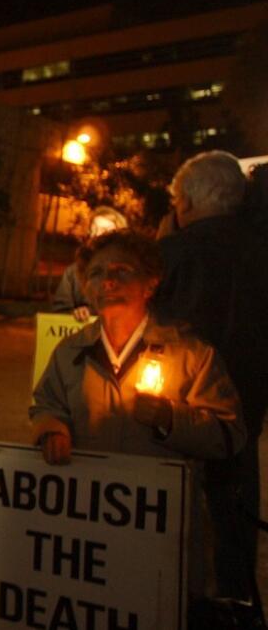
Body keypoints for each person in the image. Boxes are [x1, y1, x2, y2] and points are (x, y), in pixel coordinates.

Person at [31, 229, 246, 612]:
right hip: (90, 533)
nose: (107, 281)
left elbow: (229, 434)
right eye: (95, 273)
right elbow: (47, 403)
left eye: (122, 271)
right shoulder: (69, 353)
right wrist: (52, 429)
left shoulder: (191, 353)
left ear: (151, 283)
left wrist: (169, 420)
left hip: (162, 537)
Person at [152, 150, 268, 615]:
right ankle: (237, 604)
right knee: (235, 520)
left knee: (183, 526)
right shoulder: (260, 250)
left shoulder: (175, 252)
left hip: (180, 417)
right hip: (246, 414)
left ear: (192, 200)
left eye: (179, 198)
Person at [51, 205, 127, 321]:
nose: (97, 235)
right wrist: (75, 314)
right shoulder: (73, 272)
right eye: (94, 229)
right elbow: (60, 312)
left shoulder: (130, 273)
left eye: (105, 230)